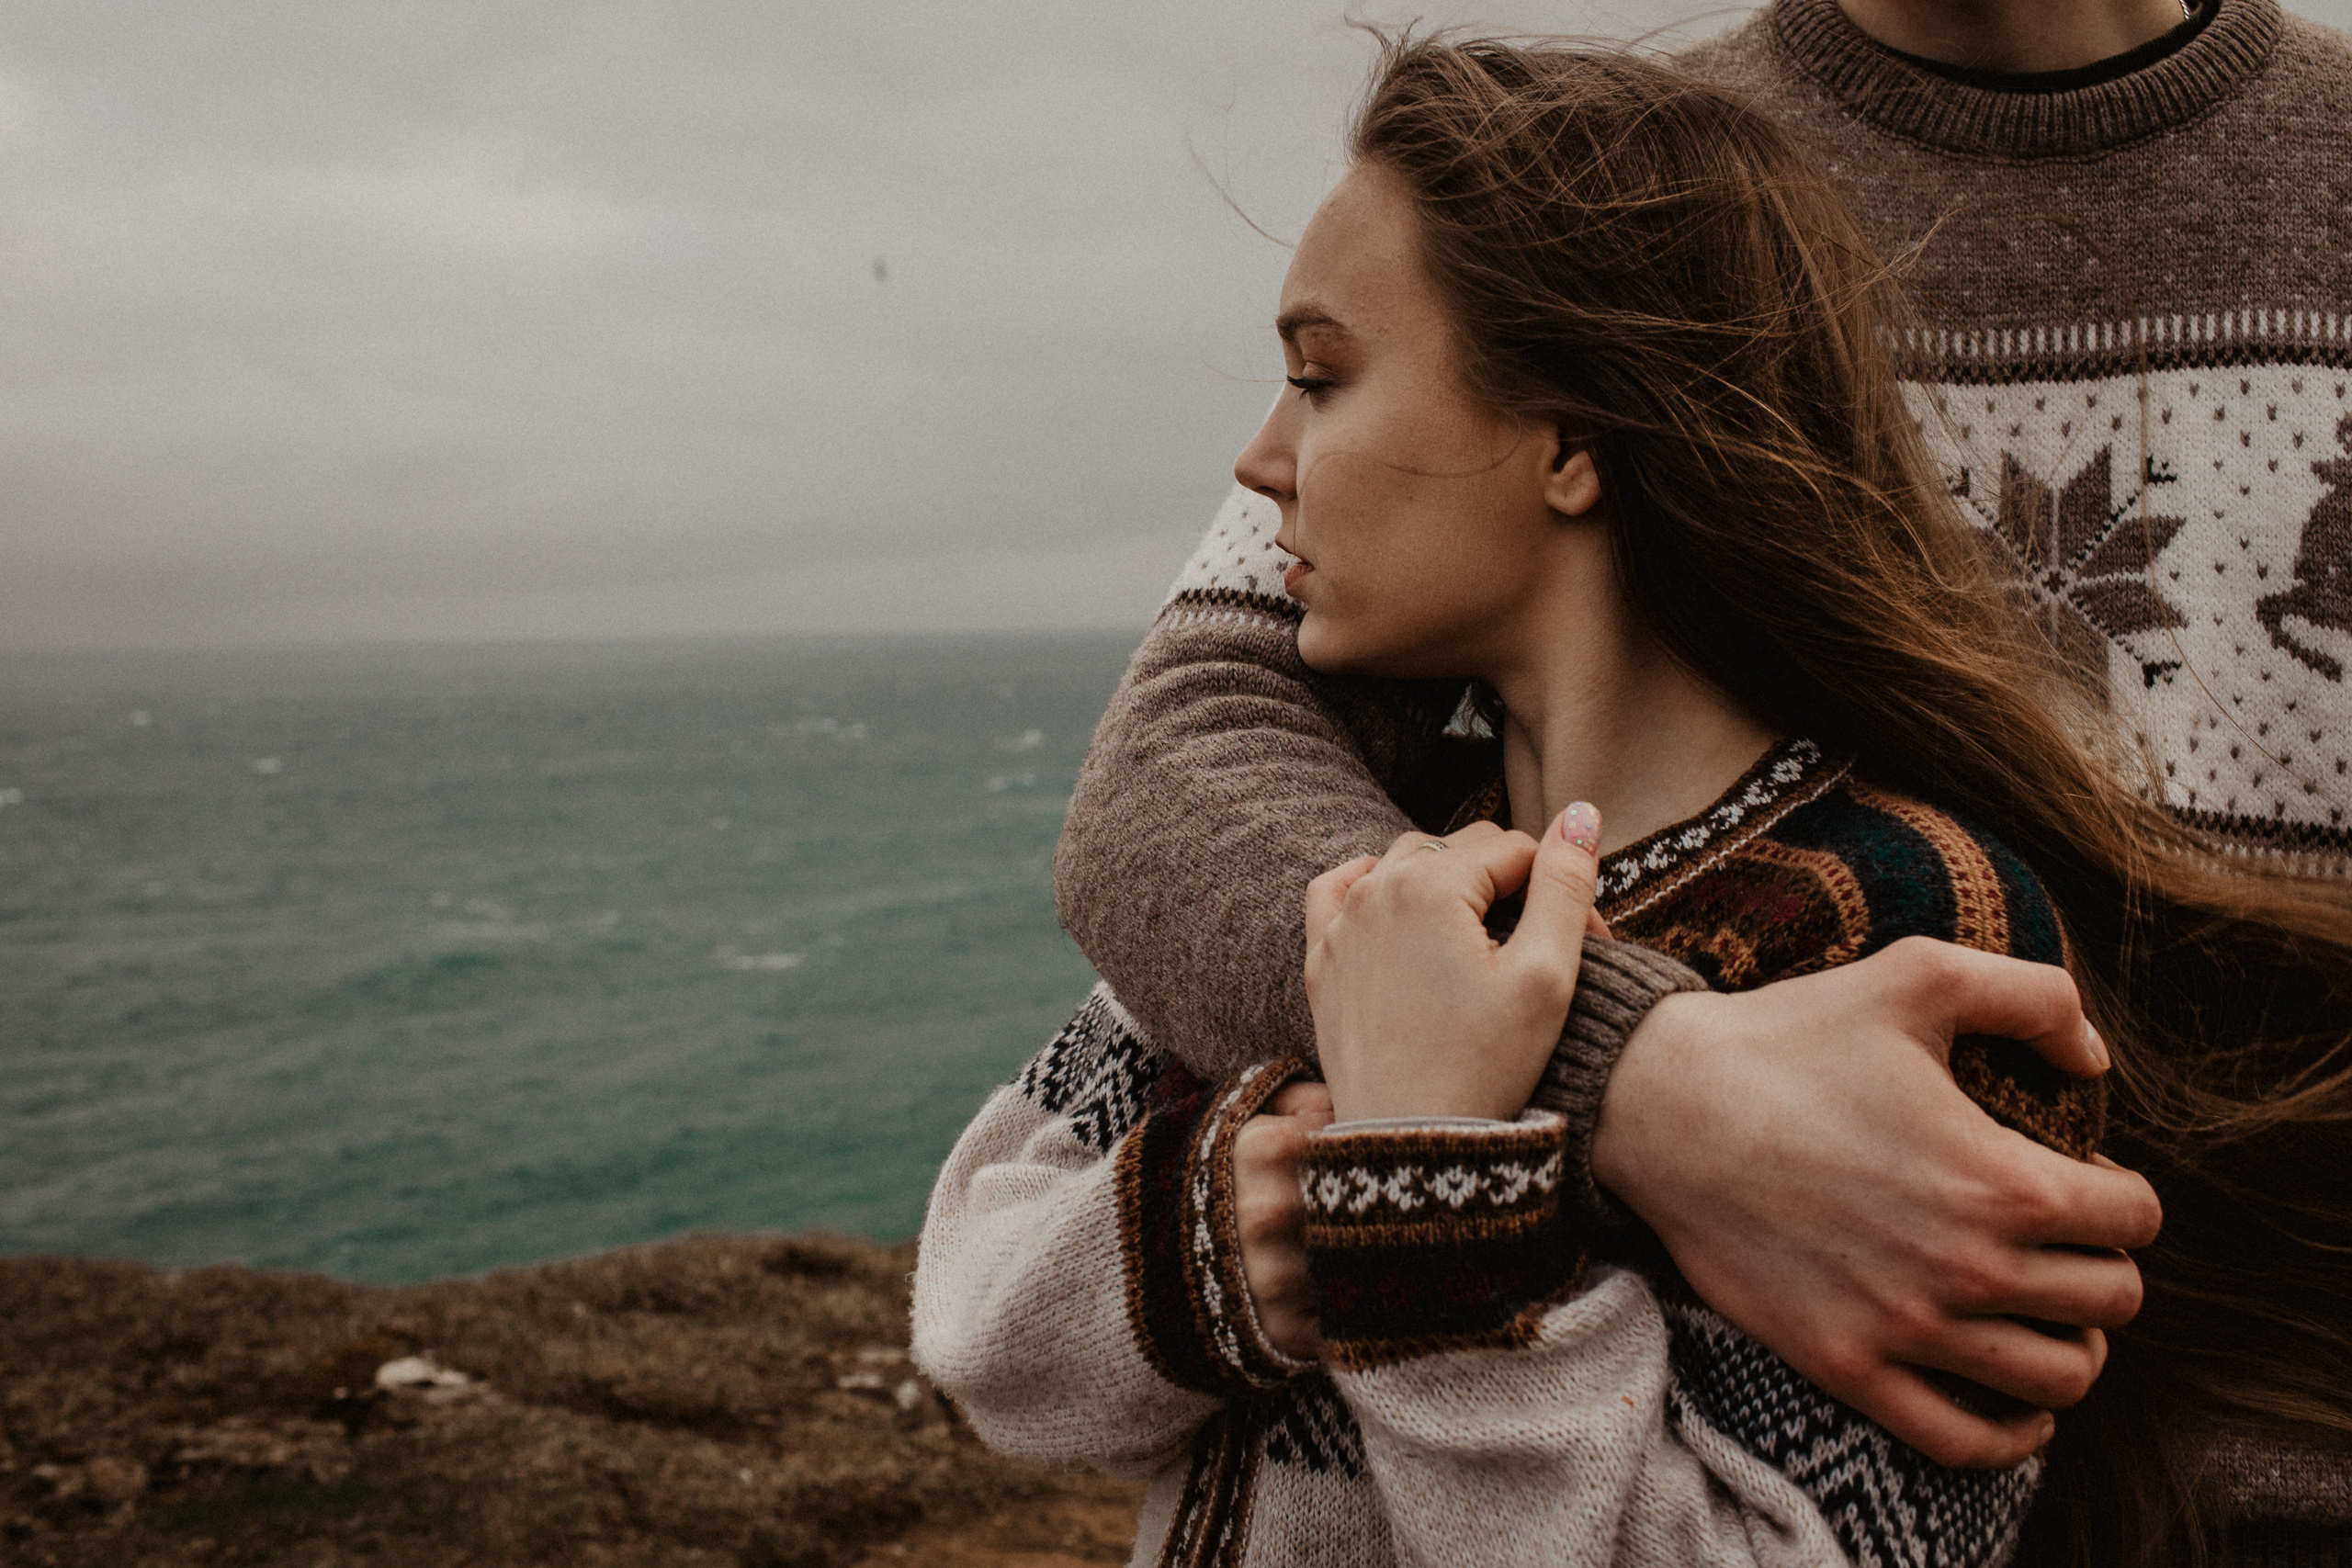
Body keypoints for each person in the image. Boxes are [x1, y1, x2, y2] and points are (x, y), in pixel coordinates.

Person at [915, 37, 2352, 1566]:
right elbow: (984, 1319)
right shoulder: (1370, 857)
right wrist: (1286, 1201)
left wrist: (1426, 1212)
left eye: (1324, 380)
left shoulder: (1905, 932)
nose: (1260, 462)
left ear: (1575, 439)